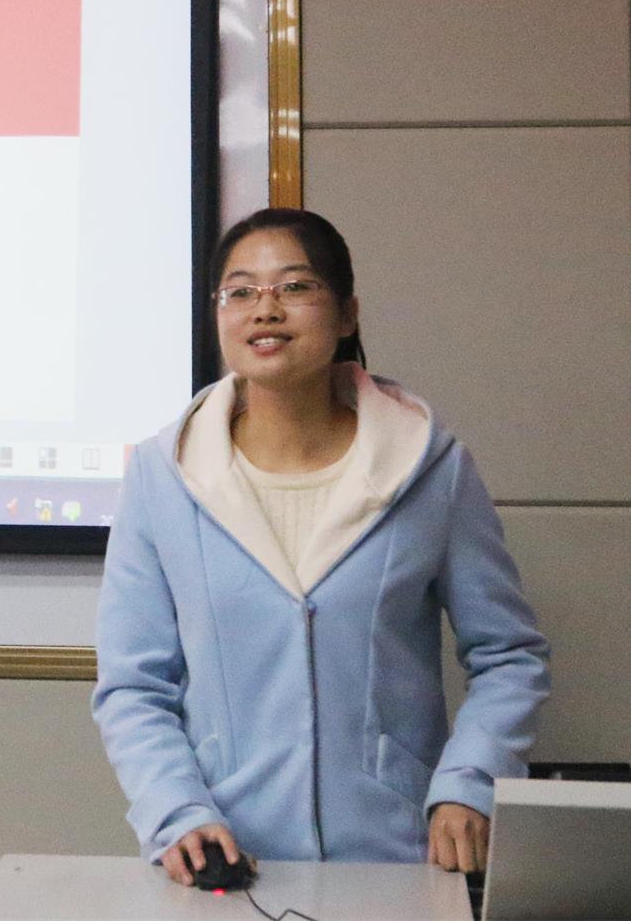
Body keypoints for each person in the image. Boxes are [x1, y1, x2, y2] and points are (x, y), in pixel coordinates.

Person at [92, 207, 549, 885]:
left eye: (295, 286)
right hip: (226, 864)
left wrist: (469, 782)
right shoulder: (165, 475)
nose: (265, 309)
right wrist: (177, 813)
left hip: (396, 856)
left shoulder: (429, 467)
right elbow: (134, 685)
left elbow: (509, 655)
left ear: (346, 314)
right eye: (240, 292)